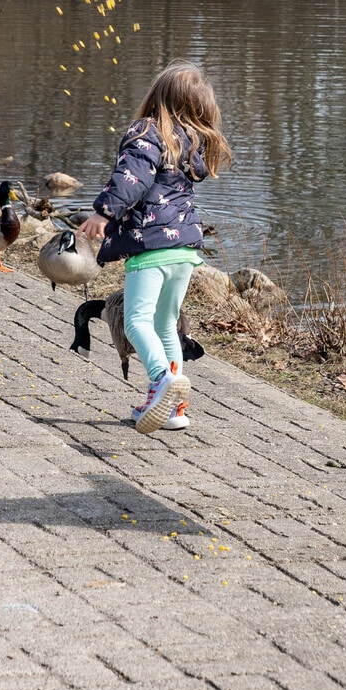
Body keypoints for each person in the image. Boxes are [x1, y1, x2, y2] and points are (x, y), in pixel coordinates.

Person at [78, 61, 233, 434]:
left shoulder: (147, 131)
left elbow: (131, 177)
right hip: (184, 250)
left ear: (156, 96)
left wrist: (103, 212)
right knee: (166, 325)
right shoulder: (189, 142)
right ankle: (175, 408)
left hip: (150, 247)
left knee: (135, 322)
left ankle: (163, 380)